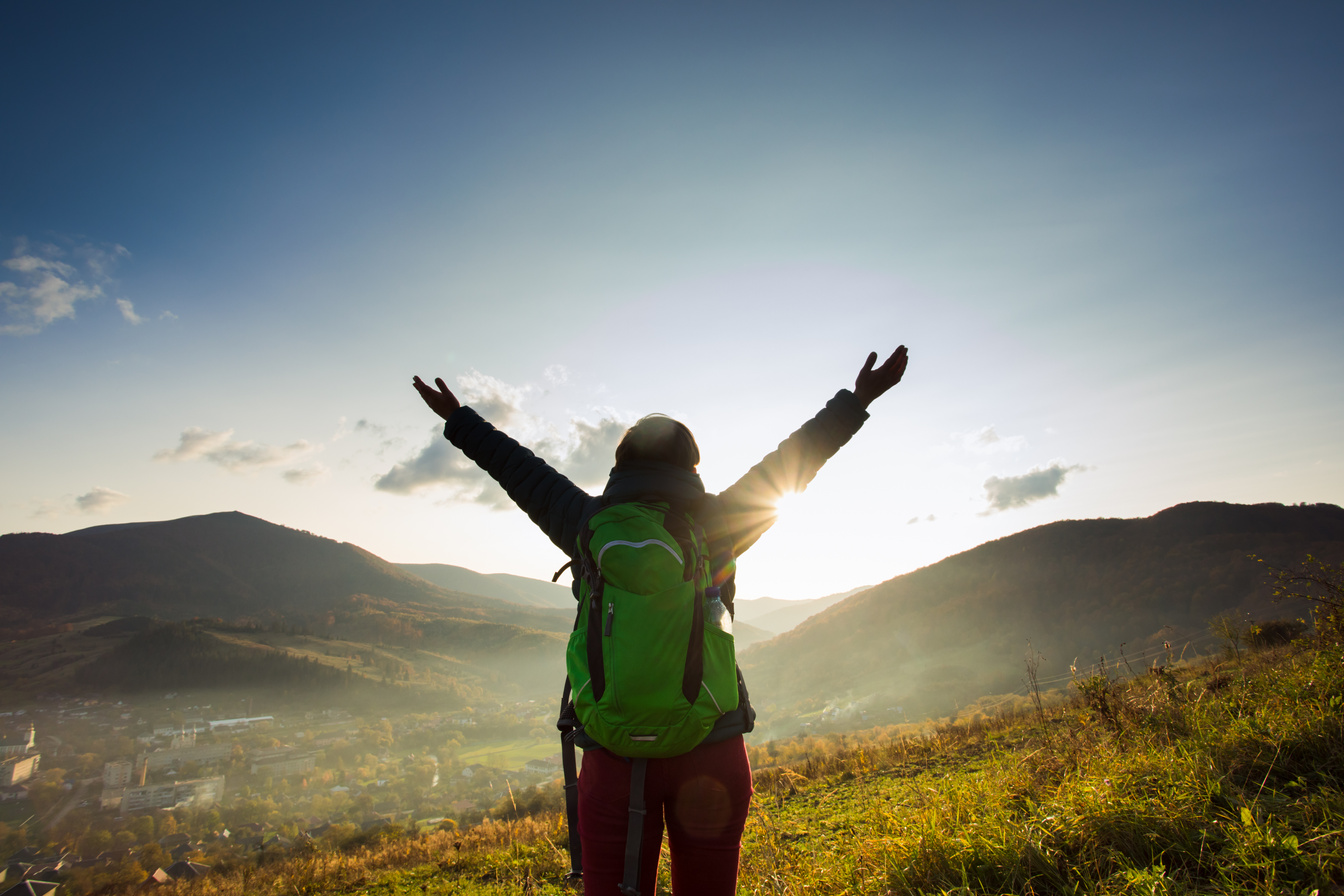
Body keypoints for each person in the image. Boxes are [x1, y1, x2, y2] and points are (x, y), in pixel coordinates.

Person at [412, 346, 908, 896]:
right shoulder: (718, 522)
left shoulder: (587, 522)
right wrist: (858, 399)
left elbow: (519, 470)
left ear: (619, 466)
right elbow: (795, 460)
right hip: (711, 747)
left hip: (612, 752)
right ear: (692, 468)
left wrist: (459, 420)